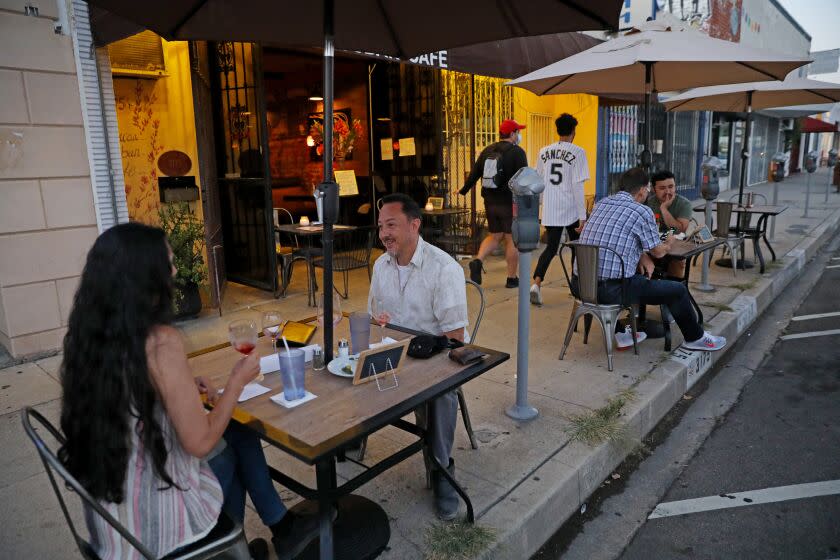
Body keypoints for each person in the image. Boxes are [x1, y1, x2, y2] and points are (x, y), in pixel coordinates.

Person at [58, 223, 315, 560]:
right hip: (154, 526)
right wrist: (236, 381)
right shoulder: (159, 342)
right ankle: (247, 541)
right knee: (231, 443)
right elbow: (199, 443)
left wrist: (179, 394)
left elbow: (136, 403)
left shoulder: (90, 339)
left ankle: (259, 537)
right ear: (144, 278)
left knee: (233, 432)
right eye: (168, 263)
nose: (176, 270)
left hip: (111, 515)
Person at [368, 193, 468, 520]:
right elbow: (373, 319)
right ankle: (347, 443)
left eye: (392, 225)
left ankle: (441, 468)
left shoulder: (443, 269)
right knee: (341, 370)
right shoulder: (380, 266)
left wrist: (418, 355)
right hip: (391, 352)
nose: (384, 233)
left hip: (433, 357)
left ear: (414, 225)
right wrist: (379, 324)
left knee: (442, 394)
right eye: (381, 226)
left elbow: (455, 340)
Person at [577, 168, 726, 352]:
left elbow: (614, 240)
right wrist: (669, 243)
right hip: (612, 291)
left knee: (636, 276)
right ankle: (695, 338)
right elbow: (658, 253)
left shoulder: (601, 203)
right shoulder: (641, 210)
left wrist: (641, 255)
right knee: (677, 290)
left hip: (581, 286)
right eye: (647, 190)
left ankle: (623, 333)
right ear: (642, 190)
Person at [460, 119, 528, 288]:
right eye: (518, 132)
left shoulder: (487, 150)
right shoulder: (517, 152)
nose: (519, 135)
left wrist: (463, 190)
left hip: (490, 202)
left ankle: (478, 261)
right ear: (512, 134)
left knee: (495, 236)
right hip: (509, 203)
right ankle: (512, 279)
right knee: (512, 239)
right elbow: (524, 178)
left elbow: (475, 173)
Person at [530, 113, 590, 306]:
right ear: (573, 131)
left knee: (551, 248)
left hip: (551, 207)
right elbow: (577, 186)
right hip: (571, 208)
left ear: (558, 130)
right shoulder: (578, 152)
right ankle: (576, 288)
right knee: (576, 248)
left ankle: (536, 284)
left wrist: (541, 207)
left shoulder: (543, 151)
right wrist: (582, 216)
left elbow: (538, 181)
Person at [646, 170, 693, 234]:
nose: (667, 191)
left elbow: (680, 231)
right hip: (653, 240)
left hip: (676, 240)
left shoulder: (684, 204)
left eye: (671, 187)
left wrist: (664, 209)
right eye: (662, 188)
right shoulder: (647, 204)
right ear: (654, 190)